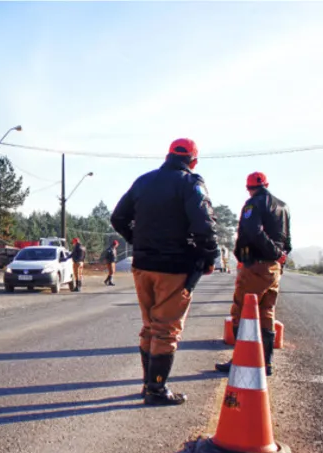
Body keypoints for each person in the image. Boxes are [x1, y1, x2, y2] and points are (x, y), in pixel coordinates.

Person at [111, 138, 220, 405]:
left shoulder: (143, 181)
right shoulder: (191, 183)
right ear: (193, 161)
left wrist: (137, 239)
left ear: (168, 155)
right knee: (166, 330)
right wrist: (209, 256)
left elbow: (117, 218)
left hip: (143, 264)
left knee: (150, 326)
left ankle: (149, 385)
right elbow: (205, 226)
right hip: (174, 267)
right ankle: (157, 390)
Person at [215, 172, 291, 376]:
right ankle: (265, 363)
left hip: (256, 266)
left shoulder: (253, 204)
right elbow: (288, 240)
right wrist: (280, 256)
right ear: (266, 184)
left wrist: (270, 251)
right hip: (274, 268)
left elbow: (253, 231)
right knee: (267, 313)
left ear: (249, 188)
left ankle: (242, 360)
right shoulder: (283, 206)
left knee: (242, 312)